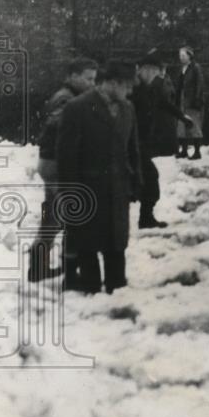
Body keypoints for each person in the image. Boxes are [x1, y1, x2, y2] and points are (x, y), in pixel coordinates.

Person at [56, 60, 142, 294]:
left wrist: (136, 183)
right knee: (88, 243)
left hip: (118, 188)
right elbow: (66, 156)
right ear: (112, 83)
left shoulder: (128, 108)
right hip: (88, 189)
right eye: (127, 86)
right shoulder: (77, 108)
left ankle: (116, 285)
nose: (130, 92)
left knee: (117, 241)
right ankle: (90, 289)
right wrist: (70, 193)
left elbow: (133, 150)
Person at [29, 57, 98, 283]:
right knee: (67, 218)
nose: (92, 83)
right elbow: (60, 128)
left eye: (94, 79)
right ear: (73, 76)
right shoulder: (65, 99)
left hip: (52, 164)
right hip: (56, 165)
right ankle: (60, 270)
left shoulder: (69, 97)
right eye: (88, 78)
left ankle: (38, 268)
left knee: (54, 218)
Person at [132, 53, 193, 229]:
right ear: (140, 70)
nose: (153, 74)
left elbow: (165, 104)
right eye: (149, 70)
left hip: (140, 144)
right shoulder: (133, 89)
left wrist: (182, 117)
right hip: (129, 144)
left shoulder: (150, 88)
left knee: (149, 179)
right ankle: (142, 218)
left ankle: (145, 218)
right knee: (146, 179)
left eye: (156, 71)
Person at [175, 46, 205, 159]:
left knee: (194, 125)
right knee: (181, 127)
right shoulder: (182, 68)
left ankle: (197, 152)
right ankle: (183, 151)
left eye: (183, 55)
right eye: (180, 56)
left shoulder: (195, 68)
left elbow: (199, 84)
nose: (181, 58)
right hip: (183, 100)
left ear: (189, 56)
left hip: (192, 101)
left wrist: (197, 100)